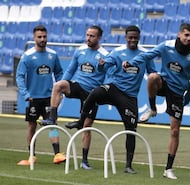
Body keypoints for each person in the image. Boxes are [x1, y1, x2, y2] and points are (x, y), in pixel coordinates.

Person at [77, 25, 156, 172]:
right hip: (114, 89)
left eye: (135, 37)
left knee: (131, 129)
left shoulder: (145, 54)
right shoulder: (118, 52)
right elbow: (104, 67)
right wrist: (101, 65)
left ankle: (128, 165)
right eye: (130, 37)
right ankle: (81, 121)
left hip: (130, 97)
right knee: (95, 93)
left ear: (139, 38)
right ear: (125, 38)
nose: (132, 40)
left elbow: (153, 73)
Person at [123, 23, 190, 179]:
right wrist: (132, 63)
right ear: (179, 34)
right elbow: (146, 56)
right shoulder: (166, 46)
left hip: (177, 92)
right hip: (164, 83)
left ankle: (168, 168)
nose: (189, 38)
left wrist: (187, 99)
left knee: (175, 131)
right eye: (186, 35)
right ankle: (152, 109)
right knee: (153, 77)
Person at [40, 25, 109, 170]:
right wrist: (63, 84)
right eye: (87, 35)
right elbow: (71, 69)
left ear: (99, 38)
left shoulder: (105, 55)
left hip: (91, 93)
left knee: (86, 127)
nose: (88, 38)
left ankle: (84, 160)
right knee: (58, 85)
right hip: (78, 86)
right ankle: (52, 117)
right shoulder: (80, 50)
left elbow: (107, 75)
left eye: (92, 36)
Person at [16, 25, 65, 165]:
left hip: (50, 97)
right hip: (33, 97)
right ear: (34, 38)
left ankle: (57, 154)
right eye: (39, 37)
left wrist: (59, 90)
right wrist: (25, 93)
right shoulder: (27, 56)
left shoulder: (53, 55)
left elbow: (59, 73)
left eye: (44, 36)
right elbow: (19, 76)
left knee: (52, 124)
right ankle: (32, 156)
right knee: (32, 125)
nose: (42, 39)